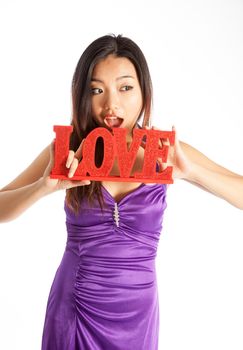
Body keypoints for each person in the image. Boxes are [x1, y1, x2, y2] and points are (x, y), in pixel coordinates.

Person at [0, 34, 242, 350]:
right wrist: (43, 187)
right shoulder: (69, 149)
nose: (111, 104)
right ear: (82, 95)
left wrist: (192, 172)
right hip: (76, 307)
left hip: (138, 316)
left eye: (125, 88)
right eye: (96, 90)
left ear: (144, 91)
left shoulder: (165, 152)